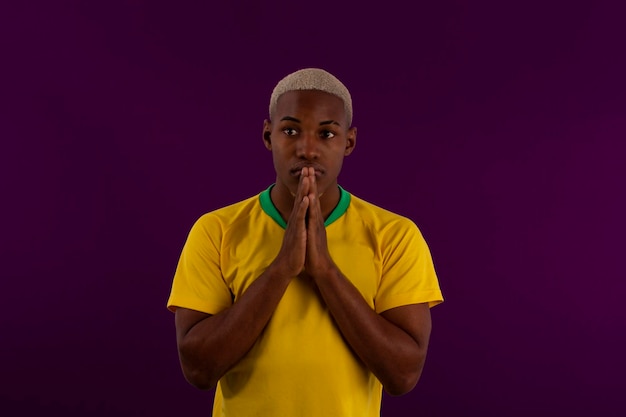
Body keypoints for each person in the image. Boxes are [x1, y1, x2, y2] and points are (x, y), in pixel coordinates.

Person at [167, 68, 443, 416]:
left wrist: (325, 270)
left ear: (349, 142)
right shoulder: (215, 230)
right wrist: (282, 268)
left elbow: (403, 375)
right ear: (268, 136)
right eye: (291, 130)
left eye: (327, 133)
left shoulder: (395, 236)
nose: (308, 149)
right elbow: (198, 370)